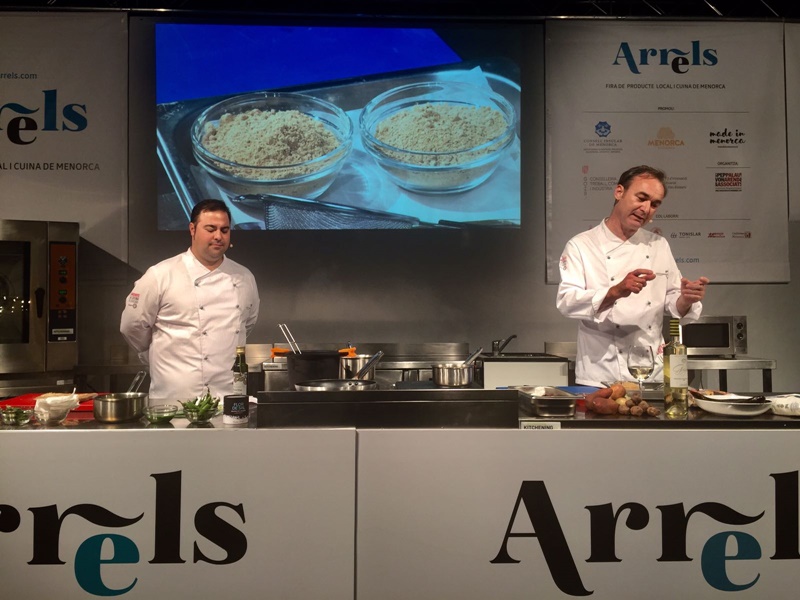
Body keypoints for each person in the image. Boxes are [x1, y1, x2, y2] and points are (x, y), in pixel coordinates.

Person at [556, 165, 709, 387]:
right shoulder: (582, 245)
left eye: (654, 204)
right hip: (600, 374)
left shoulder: (658, 245)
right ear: (619, 192)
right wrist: (616, 291)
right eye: (641, 198)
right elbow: (567, 301)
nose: (646, 208)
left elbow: (672, 303)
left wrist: (686, 298)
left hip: (651, 372)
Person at [120, 199, 260, 402]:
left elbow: (247, 324)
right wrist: (154, 356)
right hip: (173, 400)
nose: (218, 236)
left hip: (228, 397)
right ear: (192, 229)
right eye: (210, 229)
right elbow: (131, 326)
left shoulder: (244, 277)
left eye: (224, 230)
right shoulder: (161, 274)